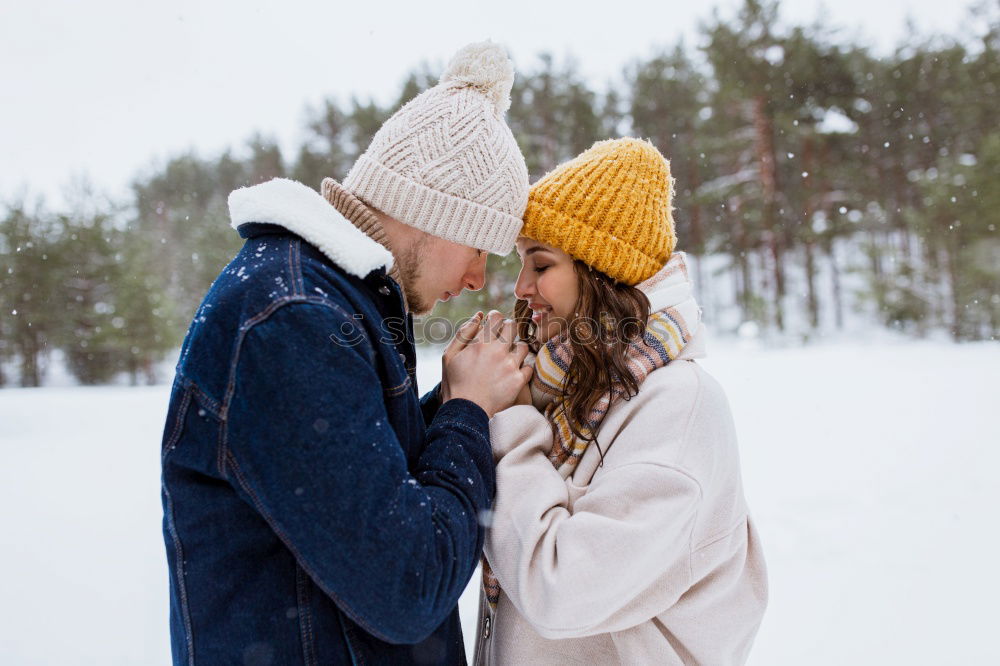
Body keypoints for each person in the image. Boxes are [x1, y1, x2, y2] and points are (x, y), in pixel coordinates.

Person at [159, 41, 531, 665]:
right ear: (432, 213)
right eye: (479, 247)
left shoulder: (332, 302)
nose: (477, 278)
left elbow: (361, 486)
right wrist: (466, 411)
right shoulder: (293, 320)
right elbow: (407, 584)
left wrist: (450, 403)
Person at [474, 138, 768, 665]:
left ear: (600, 272)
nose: (520, 287)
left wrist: (511, 424)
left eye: (540, 265)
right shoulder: (564, 389)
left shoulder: (678, 408)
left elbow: (561, 590)